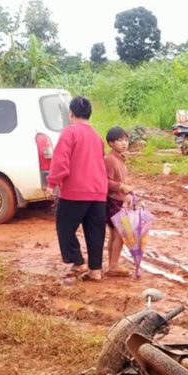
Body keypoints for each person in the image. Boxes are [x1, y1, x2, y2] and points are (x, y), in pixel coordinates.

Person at [47, 95, 107, 283]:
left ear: (70, 114)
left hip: (75, 191)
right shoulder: (97, 136)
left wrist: (52, 183)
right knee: (95, 231)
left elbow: (60, 161)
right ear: (89, 114)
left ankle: (78, 262)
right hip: (98, 192)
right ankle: (95, 270)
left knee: (64, 227)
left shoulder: (69, 132)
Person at [103, 126, 136, 278]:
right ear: (111, 143)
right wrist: (122, 187)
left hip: (119, 199)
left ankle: (112, 264)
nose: (124, 143)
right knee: (121, 234)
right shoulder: (110, 160)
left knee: (114, 234)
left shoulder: (120, 158)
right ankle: (114, 265)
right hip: (113, 201)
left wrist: (128, 192)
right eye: (119, 140)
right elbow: (105, 181)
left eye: (126, 140)